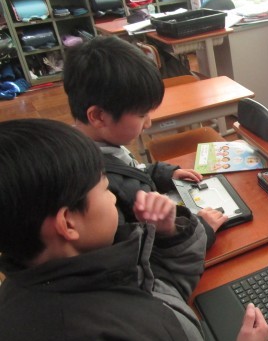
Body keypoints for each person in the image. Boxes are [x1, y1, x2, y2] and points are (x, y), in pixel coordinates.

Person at [0, 118, 268, 341]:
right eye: (105, 189)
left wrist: (168, 233)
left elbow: (159, 290)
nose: (114, 199)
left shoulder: (85, 266)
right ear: (68, 223)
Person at [63, 35, 226, 248]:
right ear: (99, 116)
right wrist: (200, 229)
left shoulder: (100, 147)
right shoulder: (96, 192)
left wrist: (163, 174)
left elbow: (130, 173)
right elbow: (140, 255)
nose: (148, 123)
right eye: (142, 115)